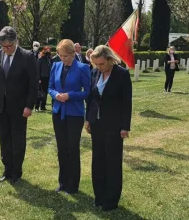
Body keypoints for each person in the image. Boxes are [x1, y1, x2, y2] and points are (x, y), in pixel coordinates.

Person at [0, 27, 38, 184]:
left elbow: (33, 84)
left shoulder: (27, 57)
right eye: (3, 46)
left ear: (15, 42)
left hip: (20, 107)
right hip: (1, 105)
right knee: (5, 138)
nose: (6, 49)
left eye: (9, 46)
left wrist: (29, 106)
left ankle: (17, 172)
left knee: (18, 139)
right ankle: (7, 170)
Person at [85, 45, 132, 211]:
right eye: (96, 64)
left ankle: (111, 200)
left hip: (114, 126)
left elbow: (127, 103)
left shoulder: (122, 75)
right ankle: (99, 196)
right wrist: (88, 119)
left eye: (102, 64)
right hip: (96, 125)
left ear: (110, 60)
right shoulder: (94, 72)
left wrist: (125, 127)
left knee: (112, 162)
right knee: (98, 161)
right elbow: (91, 98)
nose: (100, 67)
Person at [48, 39, 91, 194]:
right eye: (60, 56)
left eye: (66, 56)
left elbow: (87, 92)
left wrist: (70, 95)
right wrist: (55, 95)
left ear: (73, 53)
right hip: (58, 112)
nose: (63, 59)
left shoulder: (82, 68)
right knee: (61, 148)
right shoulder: (56, 66)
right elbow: (50, 87)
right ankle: (62, 182)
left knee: (72, 148)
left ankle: (73, 185)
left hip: (74, 113)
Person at [35, 46, 52, 111]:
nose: (48, 51)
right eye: (46, 50)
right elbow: (37, 70)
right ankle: (37, 107)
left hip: (48, 78)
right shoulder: (40, 59)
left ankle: (43, 106)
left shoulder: (49, 59)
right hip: (41, 78)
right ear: (43, 51)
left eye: (49, 50)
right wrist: (38, 79)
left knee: (45, 93)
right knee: (40, 93)